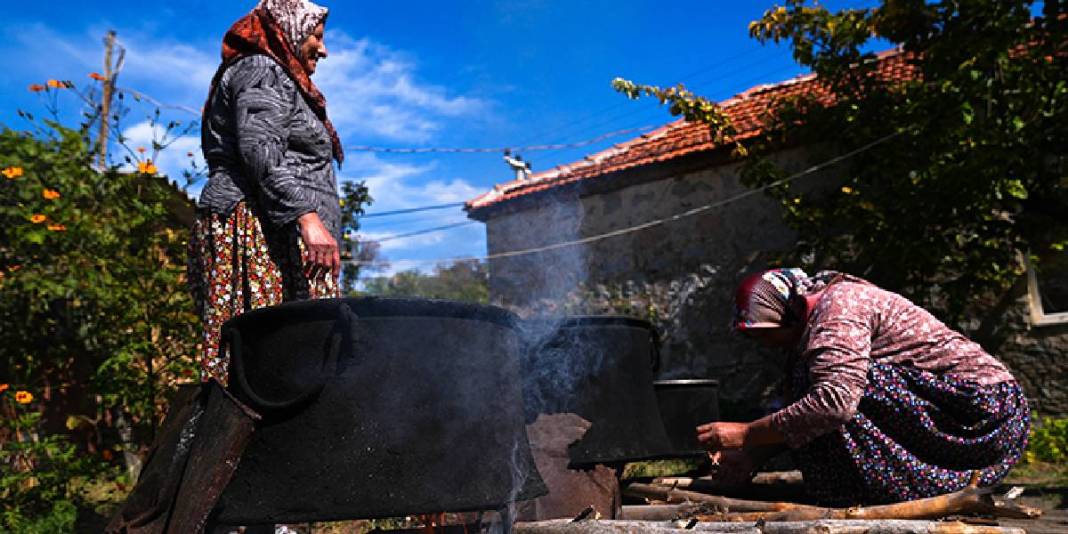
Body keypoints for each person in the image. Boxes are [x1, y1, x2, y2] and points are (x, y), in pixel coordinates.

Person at [697, 268, 1030, 505]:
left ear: (791, 311)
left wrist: (744, 434)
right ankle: (867, 488)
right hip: (969, 409)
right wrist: (749, 456)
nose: (768, 344)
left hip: (981, 412)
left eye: (769, 333)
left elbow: (835, 403)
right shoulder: (816, 321)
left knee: (830, 387)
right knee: (813, 379)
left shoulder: (838, 311)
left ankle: (875, 488)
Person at [189, 0, 343, 384]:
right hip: (254, 228)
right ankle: (235, 440)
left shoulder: (280, 77)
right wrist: (308, 220)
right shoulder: (261, 69)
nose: (323, 50)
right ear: (287, 29)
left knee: (294, 358)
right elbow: (260, 151)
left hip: (277, 230)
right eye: (316, 37)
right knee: (262, 356)